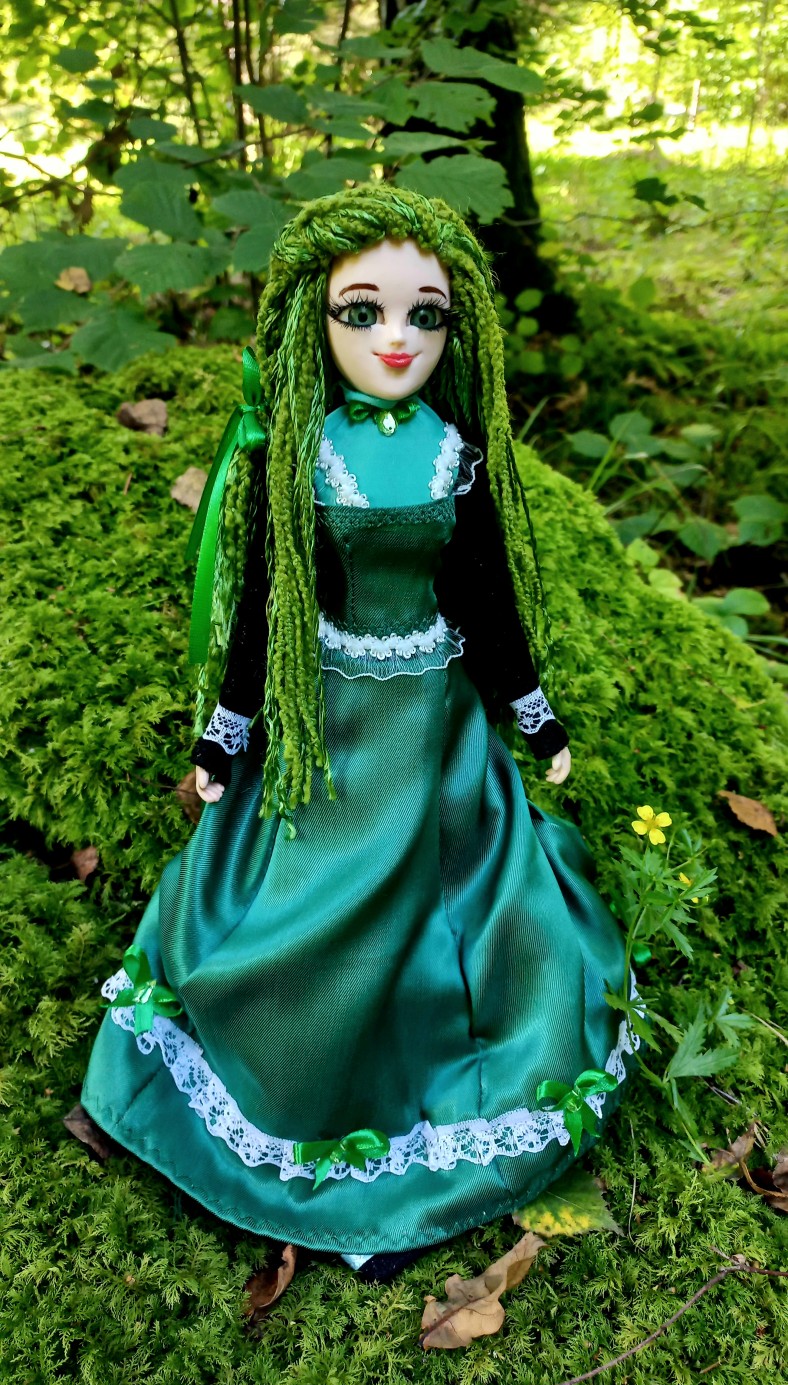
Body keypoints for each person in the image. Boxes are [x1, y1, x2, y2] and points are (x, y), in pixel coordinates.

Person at [82, 185, 634, 1277]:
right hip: (324, 724)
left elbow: (485, 595)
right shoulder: (298, 452)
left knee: (466, 902)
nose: (395, 338)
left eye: (425, 315)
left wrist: (532, 711)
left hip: (434, 729)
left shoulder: (456, 453)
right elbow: (265, 608)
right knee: (299, 897)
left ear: (457, 327)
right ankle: (277, 1097)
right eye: (362, 311)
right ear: (313, 318)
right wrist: (224, 735)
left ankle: (439, 1110)